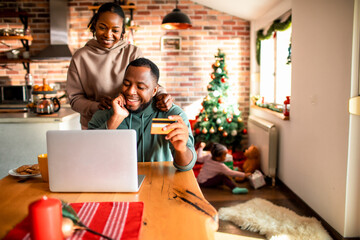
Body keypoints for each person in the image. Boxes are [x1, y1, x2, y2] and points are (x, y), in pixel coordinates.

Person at [66, 2, 172, 129]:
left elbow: (146, 82)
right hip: (95, 125)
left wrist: (161, 95)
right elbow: (75, 99)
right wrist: (97, 106)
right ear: (95, 25)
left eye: (115, 30)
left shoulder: (132, 52)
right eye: (103, 27)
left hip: (130, 123)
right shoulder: (80, 57)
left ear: (122, 31)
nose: (108, 34)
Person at [88, 58, 196, 171]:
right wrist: (115, 119)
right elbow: (88, 156)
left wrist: (181, 149)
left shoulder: (172, 114)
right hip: (114, 181)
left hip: (158, 181)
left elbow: (186, 166)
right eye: (126, 84)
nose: (130, 91)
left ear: (154, 91)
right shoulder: (106, 111)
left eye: (140, 87)